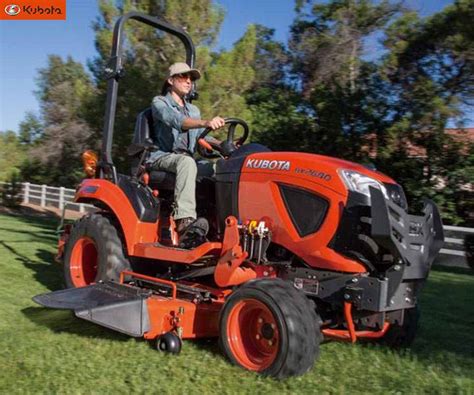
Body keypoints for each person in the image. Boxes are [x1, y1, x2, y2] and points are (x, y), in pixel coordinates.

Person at [148, 62, 225, 243]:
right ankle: (185, 222)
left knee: (217, 169)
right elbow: (176, 121)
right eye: (183, 77)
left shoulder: (193, 110)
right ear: (170, 80)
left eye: (191, 78)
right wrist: (205, 122)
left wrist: (225, 144)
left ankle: (214, 222)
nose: (188, 81)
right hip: (162, 157)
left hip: (186, 158)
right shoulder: (159, 102)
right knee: (187, 163)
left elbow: (201, 137)